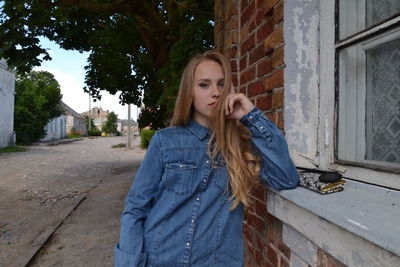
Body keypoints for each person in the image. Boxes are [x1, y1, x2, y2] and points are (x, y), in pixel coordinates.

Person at [114, 51, 299, 267]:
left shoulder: (242, 145)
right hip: (161, 258)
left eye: (222, 84)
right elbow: (136, 209)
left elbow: (285, 178)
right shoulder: (165, 141)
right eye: (204, 85)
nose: (216, 92)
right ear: (189, 92)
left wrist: (250, 116)